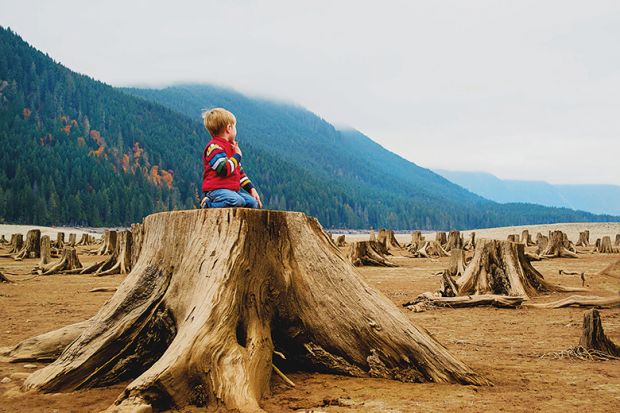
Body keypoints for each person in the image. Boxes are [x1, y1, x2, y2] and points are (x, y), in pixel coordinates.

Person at [200, 108, 262, 209]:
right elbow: (224, 169)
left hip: (232, 191)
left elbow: (240, 173)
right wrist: (237, 156)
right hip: (216, 190)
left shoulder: (232, 148)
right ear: (229, 128)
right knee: (237, 201)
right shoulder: (214, 147)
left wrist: (251, 189)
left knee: (252, 203)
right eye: (234, 127)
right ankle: (208, 204)